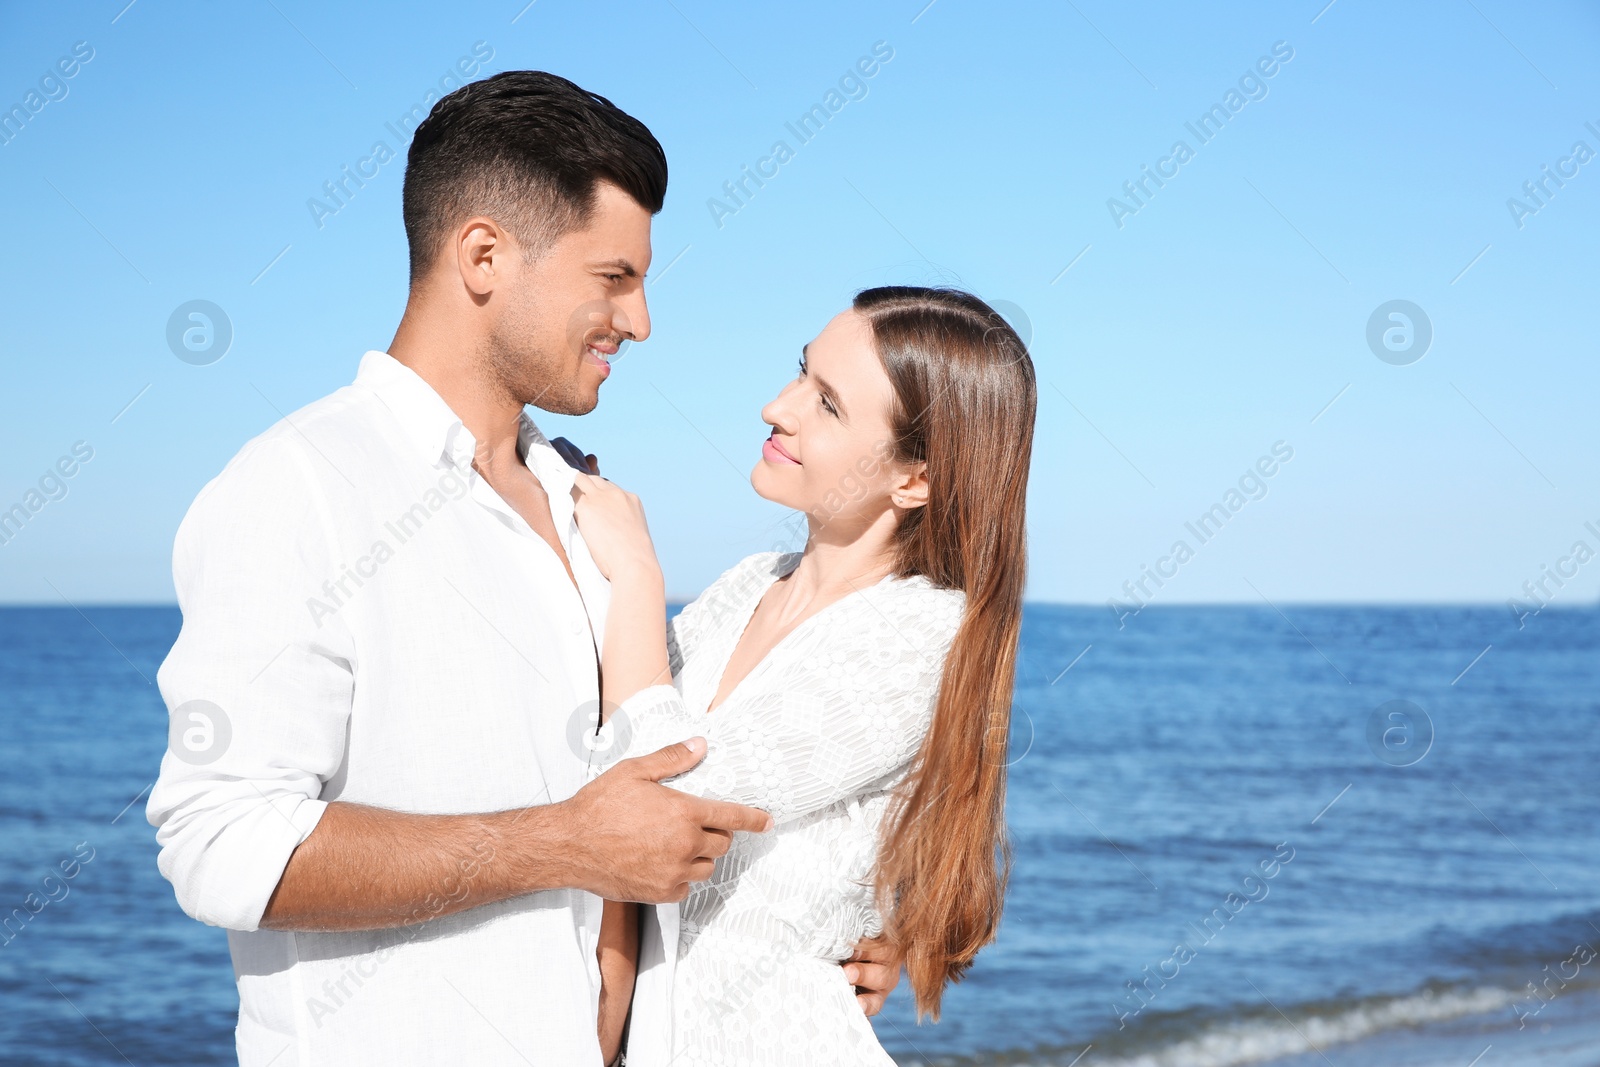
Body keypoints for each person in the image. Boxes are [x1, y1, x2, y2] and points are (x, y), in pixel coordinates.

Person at [145, 70, 897, 1067]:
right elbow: (222, 842)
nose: (639, 321)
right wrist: (560, 842)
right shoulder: (297, 488)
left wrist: (824, 931)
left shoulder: (591, 508)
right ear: (484, 255)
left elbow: (656, 806)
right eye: (612, 277)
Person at [572, 285, 1036, 1065]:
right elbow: (604, 738)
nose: (775, 407)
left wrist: (637, 578)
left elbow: (663, 799)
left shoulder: (917, 634)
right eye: (799, 374)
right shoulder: (750, 582)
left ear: (915, 478)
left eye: (827, 404)